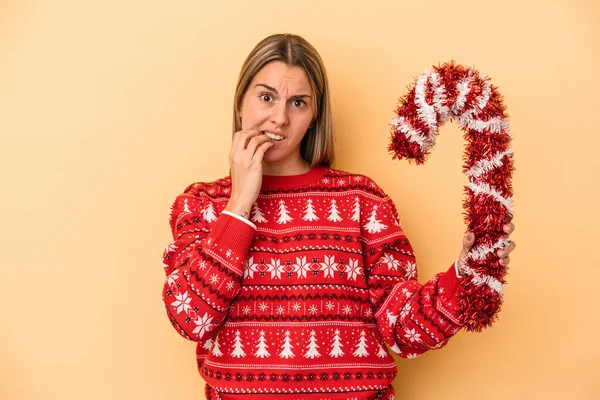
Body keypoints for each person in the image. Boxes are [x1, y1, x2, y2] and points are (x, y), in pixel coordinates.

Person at [161, 33, 516, 400]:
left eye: (298, 103)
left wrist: (468, 275)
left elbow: (402, 330)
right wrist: (239, 206)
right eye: (266, 97)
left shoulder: (362, 201)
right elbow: (191, 319)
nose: (279, 118)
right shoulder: (201, 204)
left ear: (314, 116)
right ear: (240, 104)